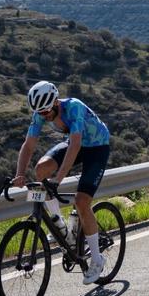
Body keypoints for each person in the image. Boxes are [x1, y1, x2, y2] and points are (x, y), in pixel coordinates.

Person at [13, 81, 110, 284]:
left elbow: (75, 145)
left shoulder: (73, 107)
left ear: (56, 101)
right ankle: (60, 225)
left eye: (47, 110)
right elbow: (28, 145)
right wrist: (20, 174)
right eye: (39, 112)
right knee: (41, 170)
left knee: (82, 202)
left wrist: (58, 179)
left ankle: (97, 260)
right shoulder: (40, 113)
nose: (44, 115)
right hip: (77, 144)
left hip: (97, 147)